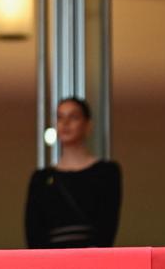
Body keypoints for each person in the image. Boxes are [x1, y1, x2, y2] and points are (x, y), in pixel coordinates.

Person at [25, 97, 122, 248]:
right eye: (60, 117)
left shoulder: (107, 172)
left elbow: (107, 225)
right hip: (51, 261)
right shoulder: (41, 178)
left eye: (74, 117)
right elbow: (33, 231)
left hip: (92, 259)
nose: (65, 123)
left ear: (87, 125)